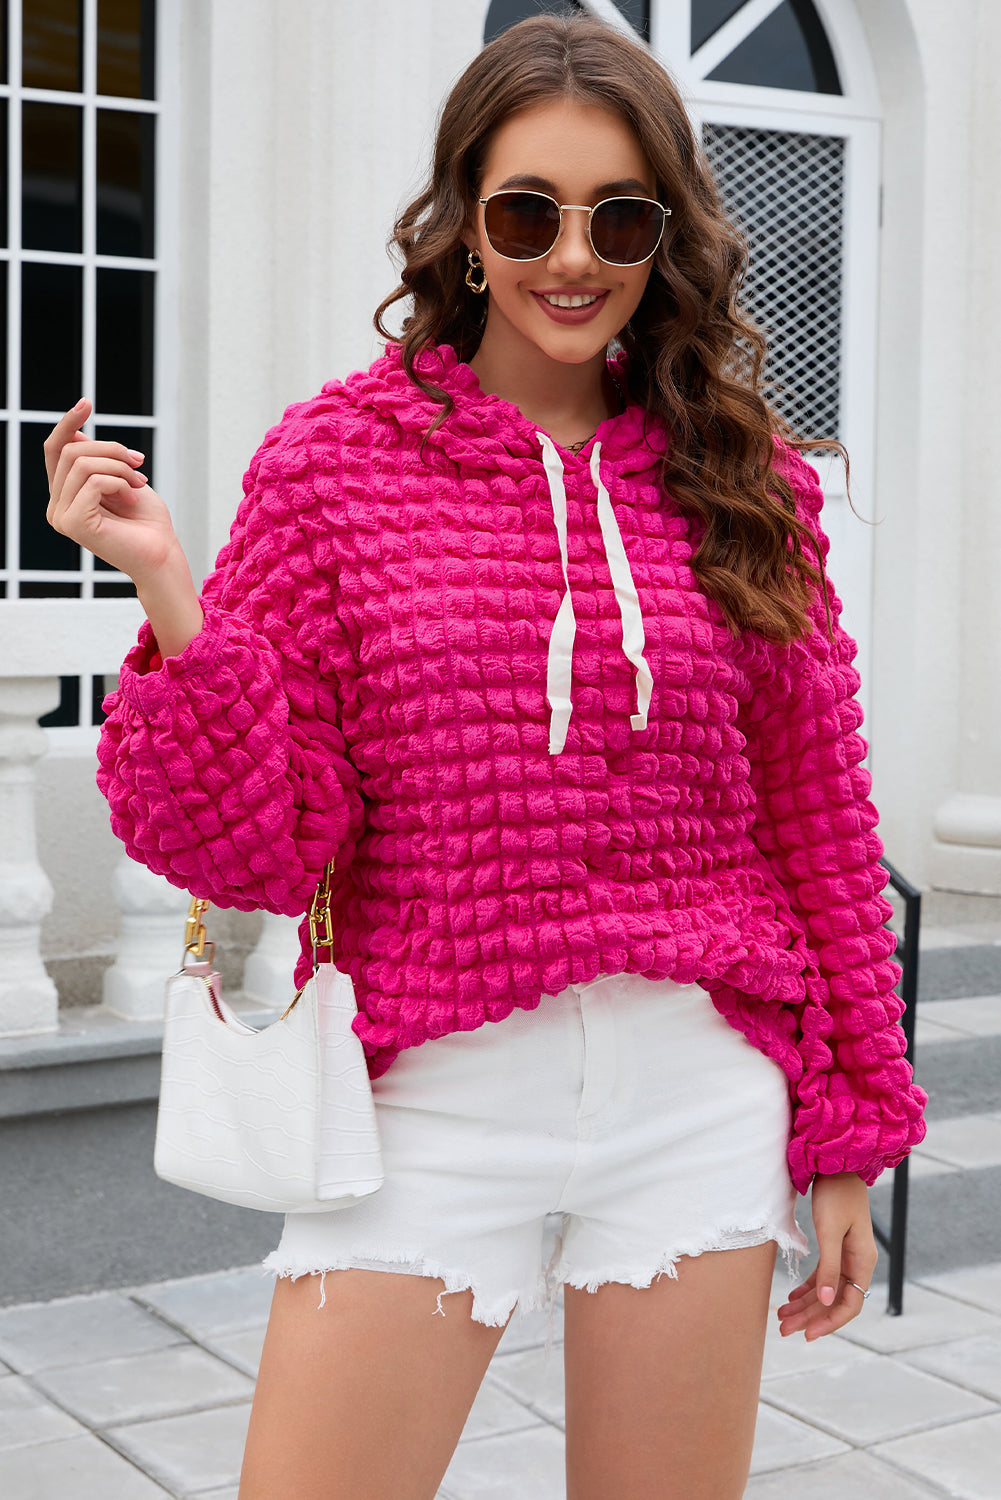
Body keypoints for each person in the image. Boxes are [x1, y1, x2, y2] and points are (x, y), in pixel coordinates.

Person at [44, 13, 928, 1500]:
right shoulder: (334, 467)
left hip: (699, 1094)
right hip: (429, 1096)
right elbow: (250, 846)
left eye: (619, 216)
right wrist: (172, 600)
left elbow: (821, 825)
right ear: (462, 225)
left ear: (667, 239)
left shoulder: (745, 481)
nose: (569, 257)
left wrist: (848, 1135)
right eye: (528, 210)